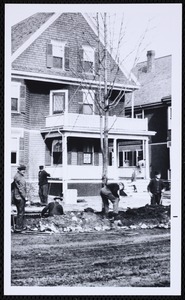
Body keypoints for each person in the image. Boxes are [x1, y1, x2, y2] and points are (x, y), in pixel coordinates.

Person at [12, 164, 28, 232]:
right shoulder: (20, 177)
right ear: (19, 170)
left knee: (20, 212)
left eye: (24, 170)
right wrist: (25, 197)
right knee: (21, 212)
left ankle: (21, 226)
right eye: (22, 170)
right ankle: (18, 228)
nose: (24, 171)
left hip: (17, 196)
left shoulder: (16, 175)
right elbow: (21, 188)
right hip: (20, 197)